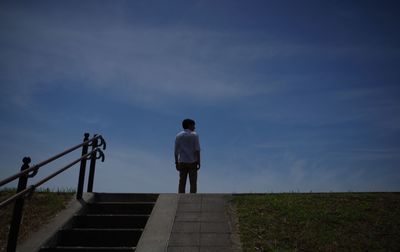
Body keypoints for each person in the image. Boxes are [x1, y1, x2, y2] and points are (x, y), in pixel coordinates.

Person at [174, 118, 201, 193]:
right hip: (193, 162)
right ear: (189, 125)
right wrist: (199, 162)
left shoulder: (178, 136)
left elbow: (176, 151)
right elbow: (197, 150)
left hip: (182, 162)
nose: (194, 127)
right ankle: (192, 199)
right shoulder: (194, 135)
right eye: (193, 125)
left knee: (182, 182)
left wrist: (176, 162)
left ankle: (181, 197)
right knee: (193, 183)